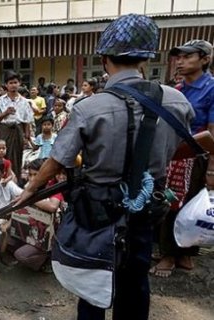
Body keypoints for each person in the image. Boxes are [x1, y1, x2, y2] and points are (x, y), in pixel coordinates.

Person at [16, 14, 195, 320]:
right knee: (136, 277)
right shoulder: (177, 100)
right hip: (146, 207)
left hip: (98, 210)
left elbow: (58, 160)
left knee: (94, 278)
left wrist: (30, 189)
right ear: (147, 57)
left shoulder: (89, 107)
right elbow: (182, 145)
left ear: (104, 58)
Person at [152, 39, 214, 277]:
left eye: (188, 56)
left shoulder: (210, 88)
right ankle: (169, 251)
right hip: (174, 154)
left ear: (205, 59)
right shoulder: (176, 90)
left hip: (198, 156)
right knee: (170, 203)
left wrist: (211, 170)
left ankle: (182, 253)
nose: (181, 60)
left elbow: (212, 130)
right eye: (179, 57)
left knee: (191, 204)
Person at [0, 71, 33, 179]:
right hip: (5, 130)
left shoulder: (24, 101)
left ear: (19, 83)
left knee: (18, 156)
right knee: (3, 154)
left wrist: (26, 137)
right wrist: (5, 113)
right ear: (6, 85)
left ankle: (16, 180)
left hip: (18, 130)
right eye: (10, 82)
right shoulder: (0, 101)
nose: (13, 85)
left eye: (15, 82)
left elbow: (27, 121)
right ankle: (4, 178)